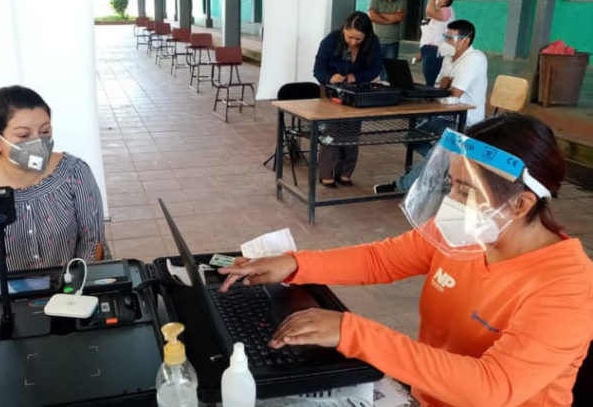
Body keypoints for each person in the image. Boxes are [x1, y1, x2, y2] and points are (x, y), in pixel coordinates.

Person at [219, 113, 593, 407]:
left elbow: (493, 387)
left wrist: (355, 333)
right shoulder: (465, 233)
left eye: (466, 191)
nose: (452, 203)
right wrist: (295, 264)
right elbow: (380, 260)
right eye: (452, 185)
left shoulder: (567, 288)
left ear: (520, 204)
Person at [0, 85, 110, 288]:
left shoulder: (74, 173)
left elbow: (93, 242)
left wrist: (73, 290)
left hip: (72, 293)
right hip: (7, 299)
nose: (38, 143)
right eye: (24, 136)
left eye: (45, 131)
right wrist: (6, 298)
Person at [374, 19, 487, 194]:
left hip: (467, 121)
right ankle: (442, 170)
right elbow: (438, 87)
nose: (446, 41)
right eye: (445, 36)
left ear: (466, 40)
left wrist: (445, 87)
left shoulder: (475, 59)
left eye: (450, 38)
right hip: (445, 116)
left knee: (439, 151)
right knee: (411, 138)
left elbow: (454, 94)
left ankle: (401, 186)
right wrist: (442, 87)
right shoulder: (448, 58)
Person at [313, 11, 383, 188]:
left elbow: (375, 68)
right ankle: (327, 173)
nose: (353, 42)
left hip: (356, 92)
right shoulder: (331, 41)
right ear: (344, 29)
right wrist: (330, 78)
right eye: (350, 37)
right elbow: (318, 69)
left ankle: (345, 172)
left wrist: (355, 77)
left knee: (352, 132)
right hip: (332, 92)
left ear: (366, 36)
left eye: (358, 39)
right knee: (333, 131)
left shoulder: (373, 43)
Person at [368, 0, 407, 81]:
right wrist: (390, 20)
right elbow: (372, 16)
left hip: (392, 42)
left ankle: (385, 86)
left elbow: (399, 17)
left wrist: (380, 14)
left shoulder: (401, 1)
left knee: (389, 72)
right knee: (372, 68)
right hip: (377, 41)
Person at [418, 0, 455, 87]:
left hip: (435, 51)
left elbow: (429, 11)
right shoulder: (439, 10)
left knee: (431, 81)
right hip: (428, 50)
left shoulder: (447, 10)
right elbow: (429, 32)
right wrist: (421, 51)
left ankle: (432, 95)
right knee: (429, 79)